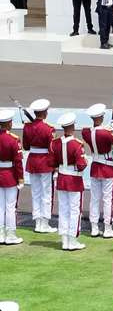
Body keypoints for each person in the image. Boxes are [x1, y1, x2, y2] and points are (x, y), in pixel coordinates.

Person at [82, 103, 113, 238]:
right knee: (107, 199)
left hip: (95, 167)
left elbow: (91, 132)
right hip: (107, 168)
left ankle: (94, 227)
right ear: (101, 117)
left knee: (94, 198)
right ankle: (107, 228)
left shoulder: (87, 132)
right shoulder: (107, 133)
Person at [50, 112, 87, 250]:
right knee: (74, 210)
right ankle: (73, 239)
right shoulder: (77, 144)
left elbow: (51, 162)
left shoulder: (55, 143)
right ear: (72, 126)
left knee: (64, 210)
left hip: (61, 178)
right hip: (74, 179)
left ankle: (65, 240)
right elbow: (81, 164)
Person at [23, 99, 56, 233]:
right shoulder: (49, 128)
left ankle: (37, 222)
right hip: (45, 162)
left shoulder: (27, 127)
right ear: (44, 113)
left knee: (36, 192)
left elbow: (25, 146)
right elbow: (52, 149)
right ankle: (45, 222)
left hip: (32, 161)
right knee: (46, 193)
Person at [0, 109, 22, 245]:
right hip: (10, 175)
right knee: (10, 207)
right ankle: (11, 235)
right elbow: (18, 161)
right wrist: (20, 178)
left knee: (0, 206)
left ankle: (1, 234)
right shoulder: (13, 139)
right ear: (8, 123)